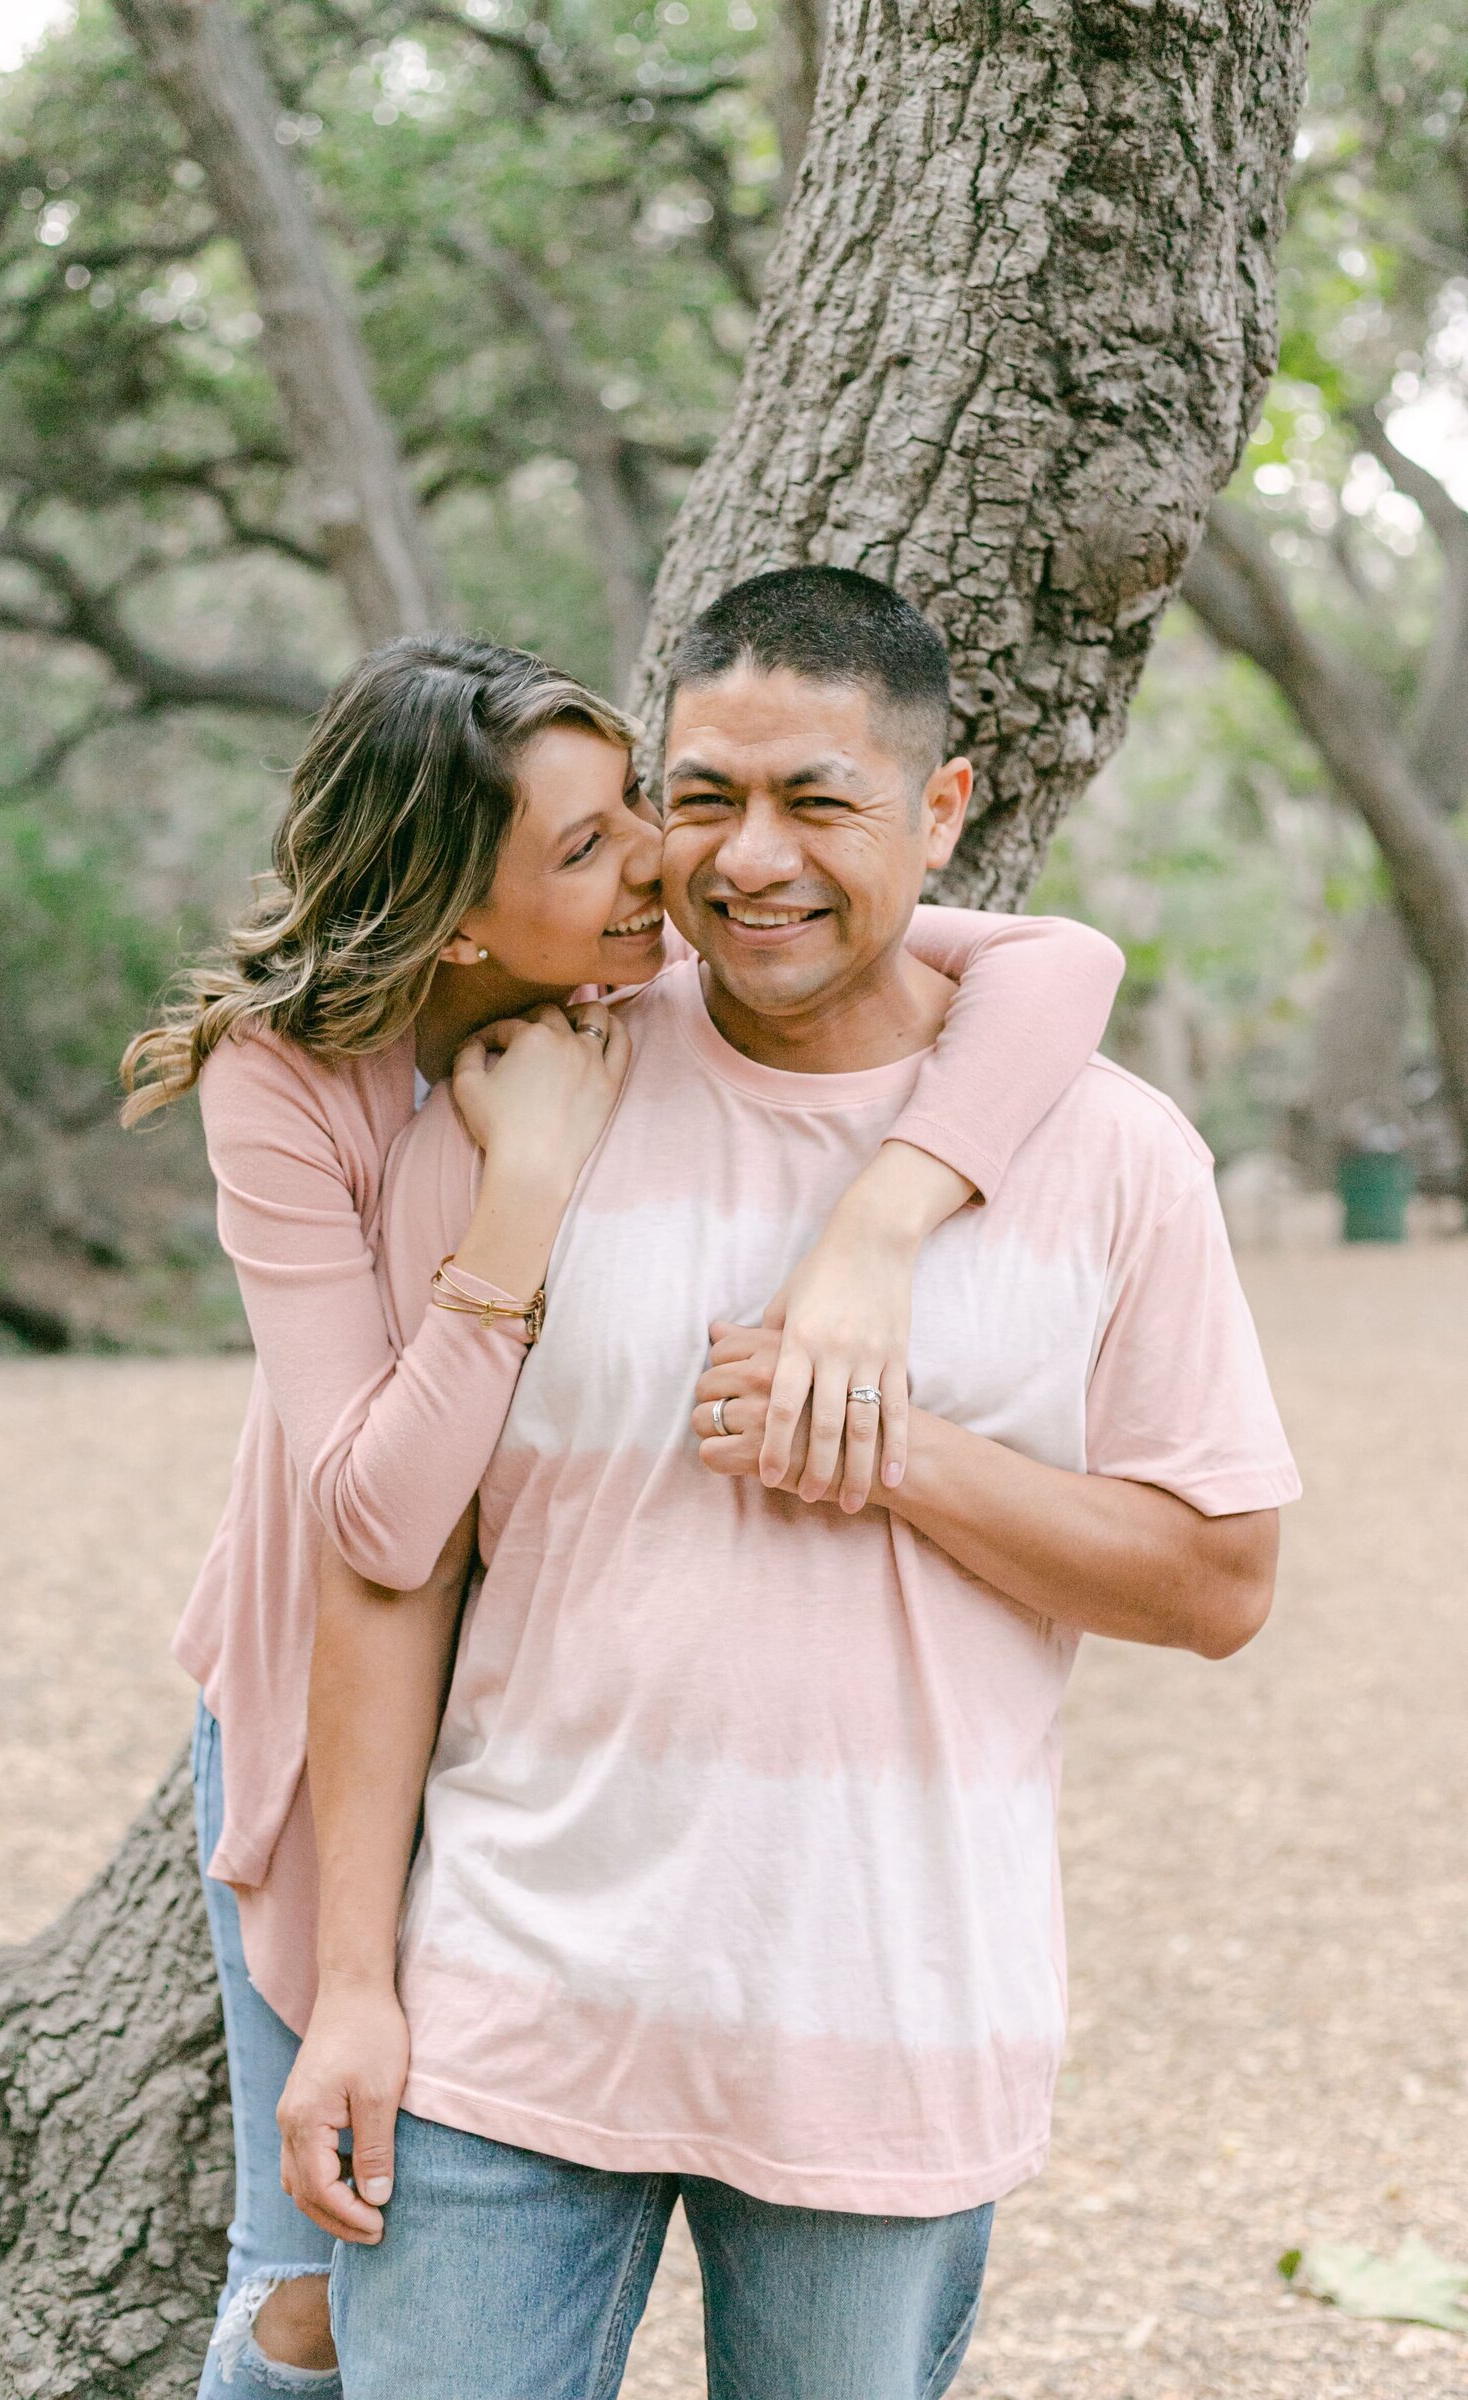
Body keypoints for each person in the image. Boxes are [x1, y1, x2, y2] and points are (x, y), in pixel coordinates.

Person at [280, 569, 1301, 2400]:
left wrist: (899, 1456)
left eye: (818, 802)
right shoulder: (533, 1094)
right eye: (703, 796)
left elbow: (1220, 1580)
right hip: (506, 2019)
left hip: (887, 2025)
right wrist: (354, 1986)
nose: (750, 860)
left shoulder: (1117, 1156)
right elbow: (389, 1568)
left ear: (946, 808)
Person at [120, 632, 1126, 2394]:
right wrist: (517, 1187)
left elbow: (1067, 962)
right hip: (323, 1673)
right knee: (312, 2276)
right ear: (454, 918)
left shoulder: (621, 983)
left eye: (630, 808)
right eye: (591, 847)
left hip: (545, 1675)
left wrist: (884, 1219)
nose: (671, 860)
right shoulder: (286, 1082)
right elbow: (375, 1515)